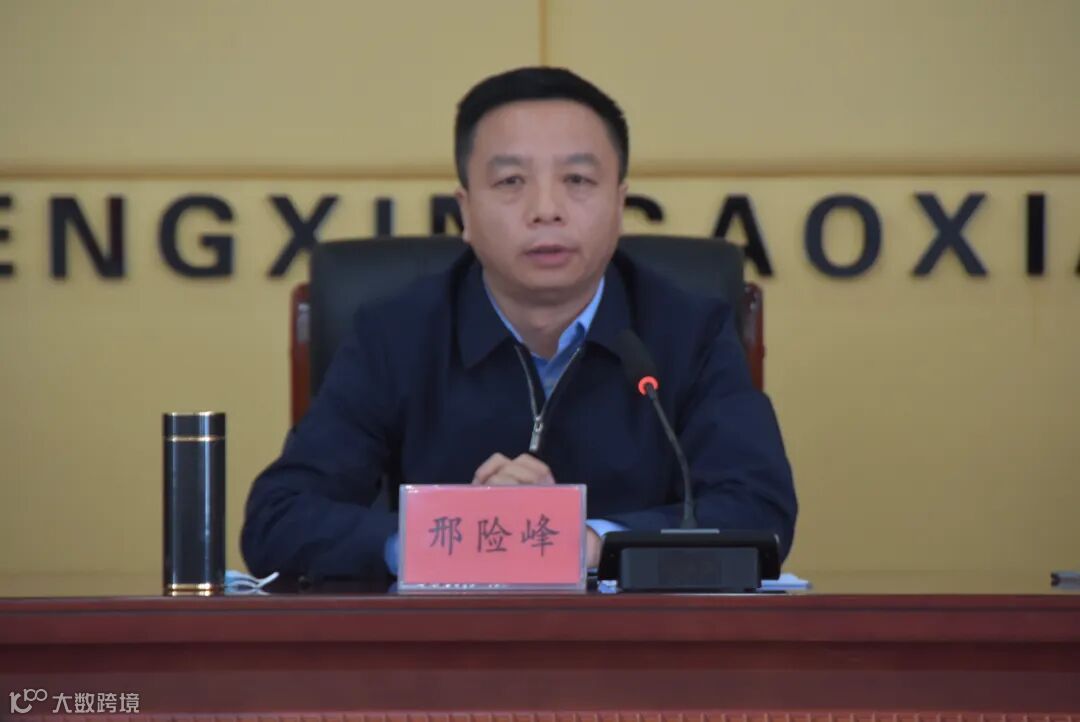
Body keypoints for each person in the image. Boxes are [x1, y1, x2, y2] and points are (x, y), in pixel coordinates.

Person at [241, 67, 796, 580]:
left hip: (637, 647)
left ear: (619, 203)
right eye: (510, 182)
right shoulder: (397, 334)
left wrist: (586, 543)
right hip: (441, 648)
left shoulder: (689, 330)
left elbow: (758, 511)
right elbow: (277, 520)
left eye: (578, 179)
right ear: (465, 211)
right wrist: (453, 538)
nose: (546, 208)